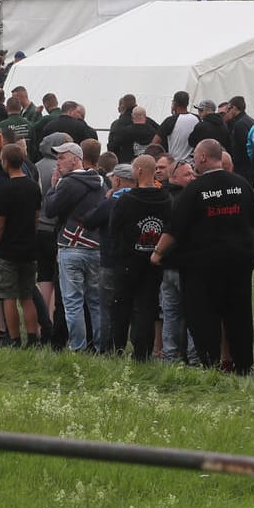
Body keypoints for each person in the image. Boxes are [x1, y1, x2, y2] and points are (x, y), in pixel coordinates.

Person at [157, 139, 254, 375]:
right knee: (239, 315)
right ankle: (243, 364)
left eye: (195, 156)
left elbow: (175, 228)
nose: (194, 161)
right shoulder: (242, 184)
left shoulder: (194, 189)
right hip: (238, 262)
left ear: (203, 157)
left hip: (202, 266)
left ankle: (209, 363)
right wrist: (251, 250)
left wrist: (158, 253)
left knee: (204, 315)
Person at [44, 140, 107, 351]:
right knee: (96, 302)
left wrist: (53, 188)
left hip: (71, 247)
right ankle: (100, 348)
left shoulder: (68, 182)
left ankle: (78, 348)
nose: (58, 162)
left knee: (73, 302)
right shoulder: (100, 182)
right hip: (95, 246)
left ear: (76, 159)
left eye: (62, 158)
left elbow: (51, 209)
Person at [110, 154, 171, 361]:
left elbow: (113, 229)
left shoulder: (126, 200)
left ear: (139, 171)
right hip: (154, 261)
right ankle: (142, 352)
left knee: (121, 306)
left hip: (127, 261)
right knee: (148, 307)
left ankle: (117, 348)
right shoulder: (166, 199)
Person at [0, 142, 43, 345]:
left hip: (7, 250)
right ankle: (33, 337)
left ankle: (14, 338)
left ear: (5, 162)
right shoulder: (33, 188)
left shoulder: (4, 190)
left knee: (8, 296)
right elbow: (37, 218)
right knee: (27, 296)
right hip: (28, 248)